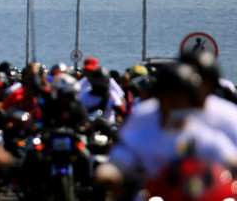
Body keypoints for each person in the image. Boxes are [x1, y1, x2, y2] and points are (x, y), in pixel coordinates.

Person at [96, 61, 237, 199]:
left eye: (183, 97)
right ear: (160, 97)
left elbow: (228, 157)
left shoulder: (200, 134)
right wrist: (109, 173)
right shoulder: (144, 132)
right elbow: (120, 159)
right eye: (170, 95)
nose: (176, 102)